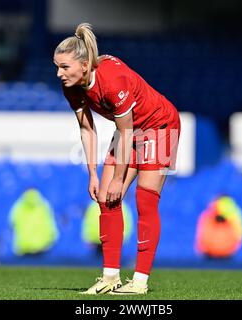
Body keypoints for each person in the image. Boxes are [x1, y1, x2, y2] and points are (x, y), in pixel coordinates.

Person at [54, 23, 181, 295]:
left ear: (85, 65)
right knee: (107, 199)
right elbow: (87, 129)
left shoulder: (112, 80)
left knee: (145, 200)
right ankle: (110, 277)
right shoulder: (72, 87)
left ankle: (140, 282)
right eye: (57, 66)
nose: (59, 73)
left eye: (64, 67)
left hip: (161, 126)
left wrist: (120, 179)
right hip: (129, 131)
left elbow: (126, 131)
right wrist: (93, 175)